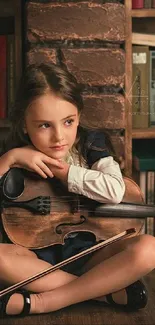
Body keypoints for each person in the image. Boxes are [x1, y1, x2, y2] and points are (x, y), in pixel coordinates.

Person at [0, 63, 153, 318]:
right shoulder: (18, 153)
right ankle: (105, 291)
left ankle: (42, 302)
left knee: (149, 248)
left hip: (93, 255)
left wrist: (65, 173)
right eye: (44, 126)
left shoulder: (92, 143)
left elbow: (115, 190)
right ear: (25, 125)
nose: (59, 137)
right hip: (37, 261)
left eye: (68, 122)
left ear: (79, 117)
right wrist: (10, 158)